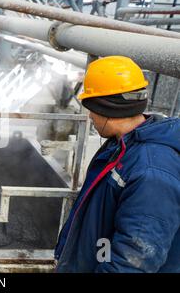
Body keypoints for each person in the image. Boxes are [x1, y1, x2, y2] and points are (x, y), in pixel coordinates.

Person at [54, 56, 180, 273]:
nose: (91, 116)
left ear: (106, 107)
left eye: (91, 106)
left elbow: (134, 259)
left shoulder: (150, 171)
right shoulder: (122, 145)